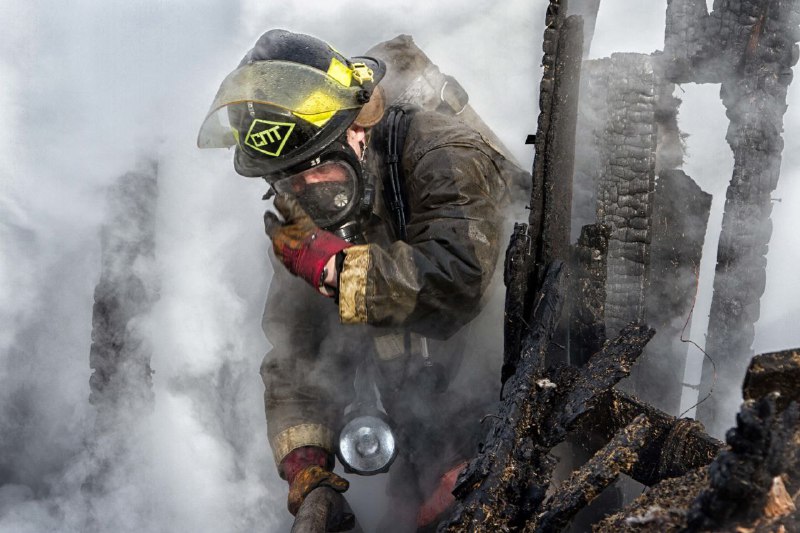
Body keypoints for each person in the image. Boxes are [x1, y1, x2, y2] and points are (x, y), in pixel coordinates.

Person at [198, 29, 523, 531]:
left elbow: (459, 283)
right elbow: (294, 358)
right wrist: (307, 471)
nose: (307, 191)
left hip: (521, 409)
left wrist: (335, 268)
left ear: (355, 130)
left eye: (318, 169)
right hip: (423, 426)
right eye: (288, 179)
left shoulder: (442, 150)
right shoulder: (307, 219)